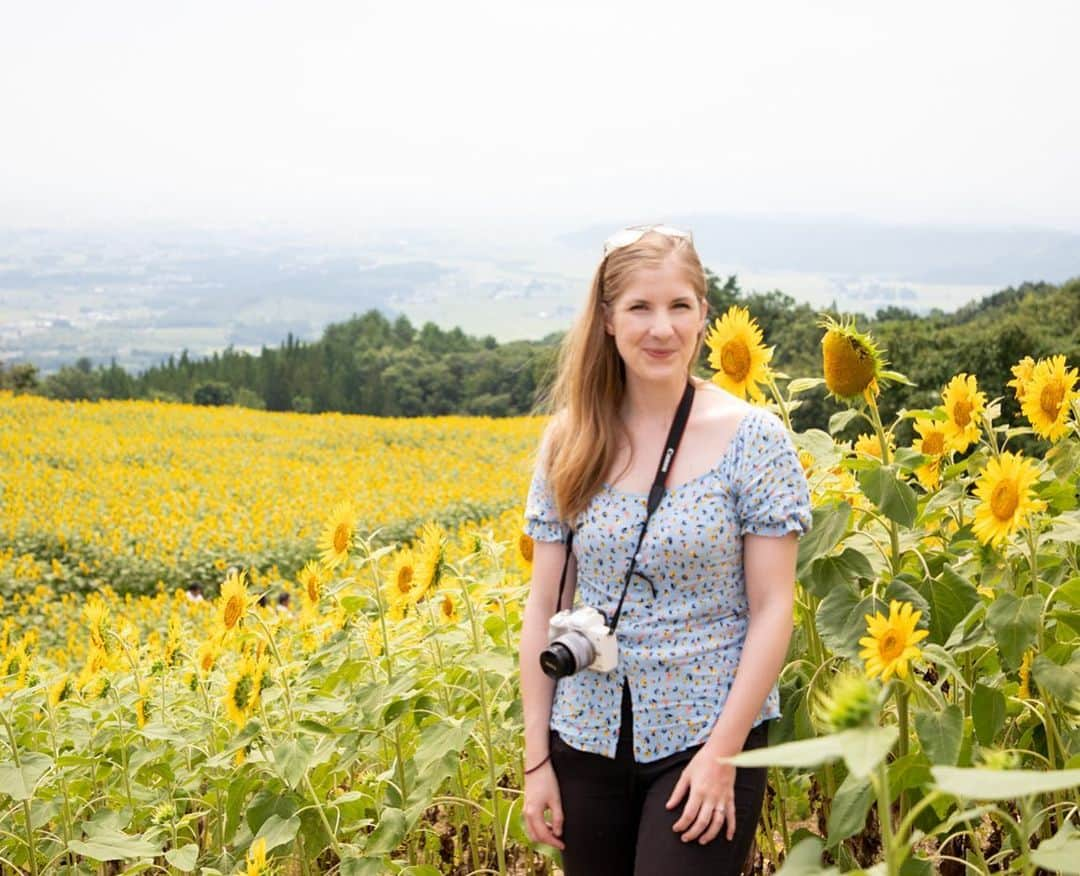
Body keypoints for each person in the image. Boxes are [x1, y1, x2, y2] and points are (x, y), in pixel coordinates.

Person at [518, 225, 812, 876]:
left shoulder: (753, 441)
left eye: (679, 306)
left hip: (706, 738)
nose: (662, 328)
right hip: (586, 737)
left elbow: (772, 609)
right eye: (640, 308)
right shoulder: (570, 440)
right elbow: (545, 605)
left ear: (703, 315)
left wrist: (723, 756)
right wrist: (537, 759)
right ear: (606, 320)